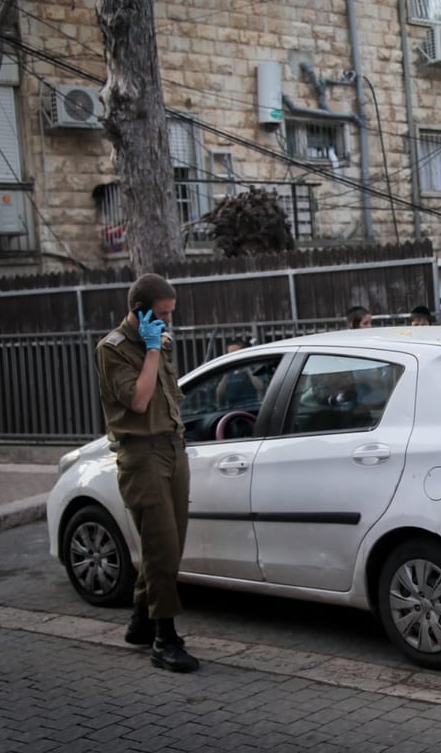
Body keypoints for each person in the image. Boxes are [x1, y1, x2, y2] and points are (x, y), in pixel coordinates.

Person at [95, 273, 199, 674]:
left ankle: (141, 619)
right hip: (142, 455)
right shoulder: (113, 349)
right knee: (161, 547)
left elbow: (169, 396)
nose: (168, 323)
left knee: (171, 546)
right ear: (139, 311)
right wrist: (152, 351)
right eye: (162, 314)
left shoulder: (163, 342)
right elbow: (138, 401)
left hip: (173, 448)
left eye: (171, 314)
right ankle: (164, 638)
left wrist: (159, 346)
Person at [215, 337, 264, 407]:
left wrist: (247, 367)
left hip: (250, 407)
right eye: (230, 354)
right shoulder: (228, 372)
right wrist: (226, 373)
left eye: (235, 353)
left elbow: (260, 387)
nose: (232, 356)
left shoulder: (253, 368)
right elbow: (219, 394)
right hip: (231, 409)